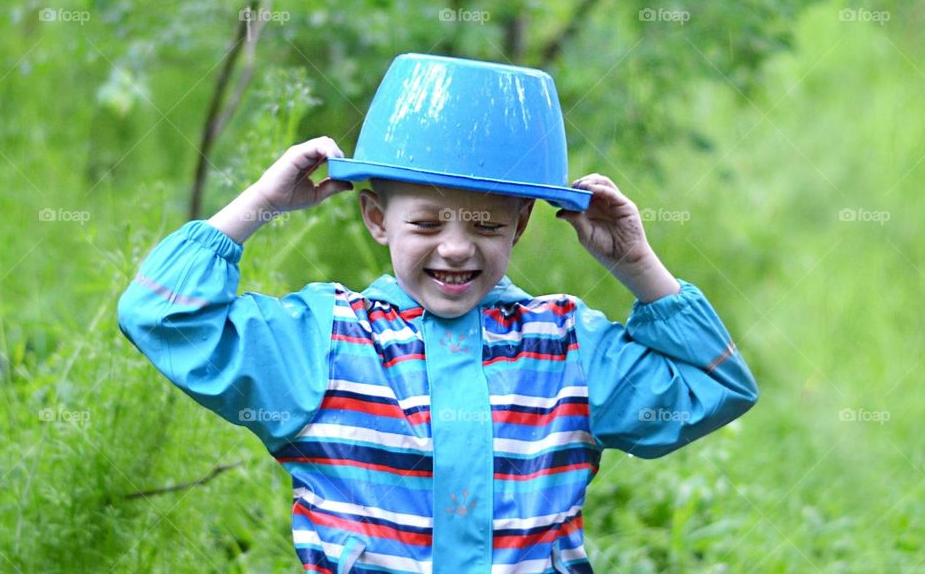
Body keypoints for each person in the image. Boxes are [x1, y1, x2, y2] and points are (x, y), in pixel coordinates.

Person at [118, 54, 758, 574]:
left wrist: (636, 265)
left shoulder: (565, 349)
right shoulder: (328, 342)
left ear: (522, 224)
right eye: (425, 222)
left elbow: (716, 387)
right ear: (376, 219)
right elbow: (161, 315)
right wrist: (260, 203)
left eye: (486, 224)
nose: (455, 247)